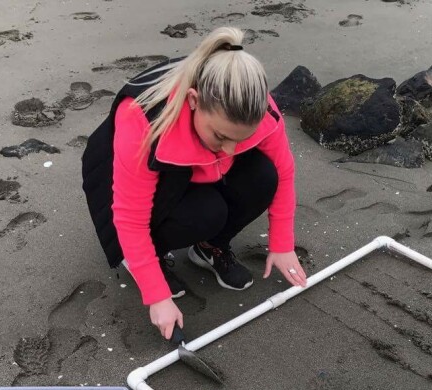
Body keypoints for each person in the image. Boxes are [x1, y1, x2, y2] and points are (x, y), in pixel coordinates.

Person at [82, 26, 308, 341]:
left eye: (240, 139)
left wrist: (282, 243)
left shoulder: (254, 105)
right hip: (123, 180)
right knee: (205, 212)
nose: (231, 149)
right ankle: (146, 260)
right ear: (193, 100)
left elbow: (284, 174)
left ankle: (209, 248)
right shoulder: (142, 118)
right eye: (221, 136)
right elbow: (129, 218)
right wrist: (156, 296)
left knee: (263, 175)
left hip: (199, 168)